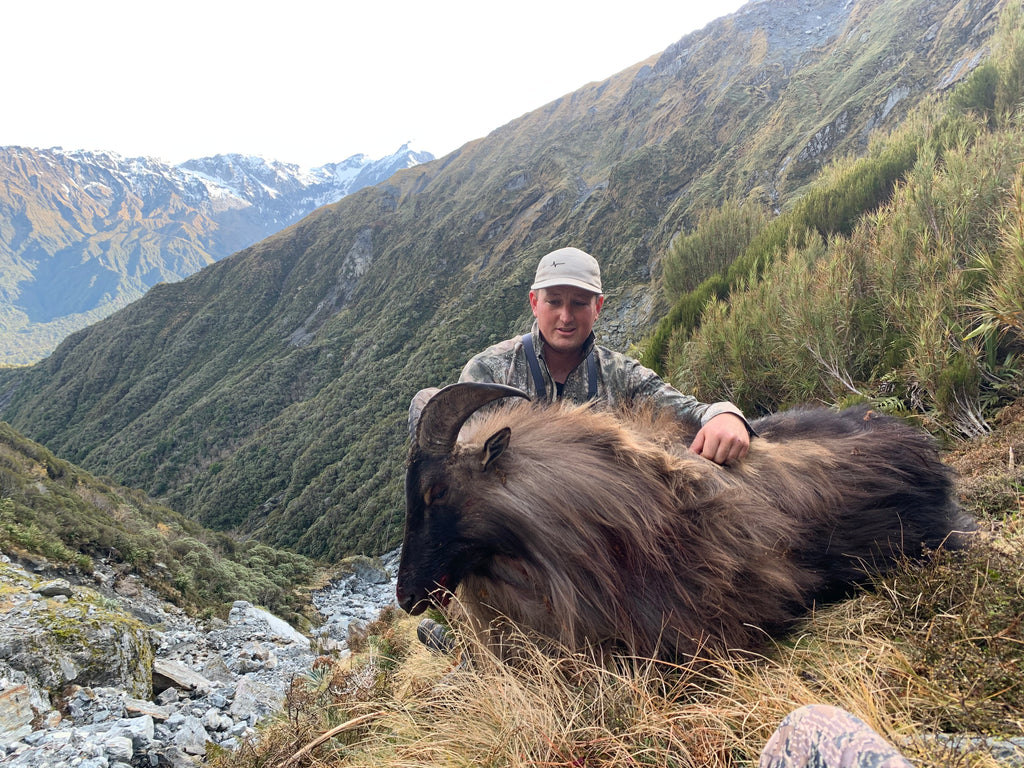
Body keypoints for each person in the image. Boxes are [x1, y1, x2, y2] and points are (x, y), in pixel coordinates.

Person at [425, 246, 752, 465]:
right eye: (554, 301)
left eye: (579, 303)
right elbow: (459, 466)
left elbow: (689, 412)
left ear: (598, 308)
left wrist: (725, 415)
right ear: (534, 303)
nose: (566, 317)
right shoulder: (489, 373)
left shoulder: (621, 375)